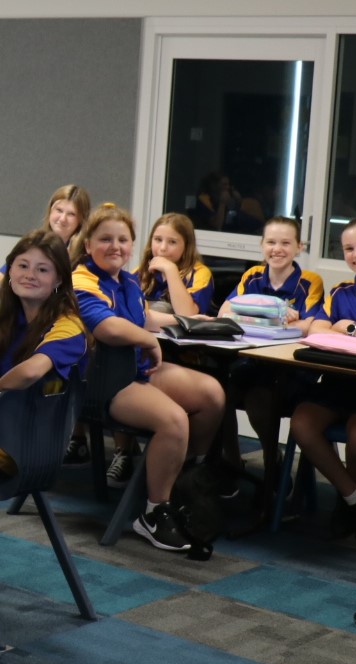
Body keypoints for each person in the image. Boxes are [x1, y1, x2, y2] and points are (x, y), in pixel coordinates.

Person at [72, 204, 224, 557]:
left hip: (134, 372)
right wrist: (147, 340)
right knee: (174, 421)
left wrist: (192, 322)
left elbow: (144, 316)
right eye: (105, 239)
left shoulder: (125, 280)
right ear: (88, 244)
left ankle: (186, 480)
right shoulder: (82, 279)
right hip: (102, 382)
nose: (116, 246)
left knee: (211, 394)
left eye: (123, 240)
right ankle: (154, 512)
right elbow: (106, 326)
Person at [291, 217, 356, 543]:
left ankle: (346, 500)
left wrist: (350, 327)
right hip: (338, 381)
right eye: (350, 248)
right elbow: (317, 327)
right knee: (302, 422)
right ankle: (354, 499)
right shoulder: (340, 291)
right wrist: (334, 326)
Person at [217, 216, 324, 498]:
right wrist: (274, 313)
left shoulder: (309, 281)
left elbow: (309, 325)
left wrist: (250, 314)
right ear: (262, 245)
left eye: (286, 243)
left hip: (289, 371)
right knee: (217, 395)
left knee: (258, 401)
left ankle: (271, 461)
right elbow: (224, 313)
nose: (277, 249)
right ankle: (230, 460)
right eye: (271, 242)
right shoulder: (252, 275)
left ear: (299, 247)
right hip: (251, 362)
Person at [0, 230, 89, 402]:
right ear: (9, 271)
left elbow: (30, 372)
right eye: (23, 266)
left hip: (40, 424)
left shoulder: (69, 325)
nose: (30, 275)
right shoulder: (4, 324)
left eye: (42, 270)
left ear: (59, 279)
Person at [0, 184, 91, 289]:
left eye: (71, 214)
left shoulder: (85, 254)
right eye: (59, 210)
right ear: (50, 211)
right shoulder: (34, 242)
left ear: (81, 219)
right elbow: (1, 275)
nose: (63, 218)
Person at [139, 213, 213, 317]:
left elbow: (187, 314)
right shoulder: (140, 271)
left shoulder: (200, 273)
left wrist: (170, 270)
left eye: (172, 242)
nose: (163, 248)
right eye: (158, 240)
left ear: (187, 246)